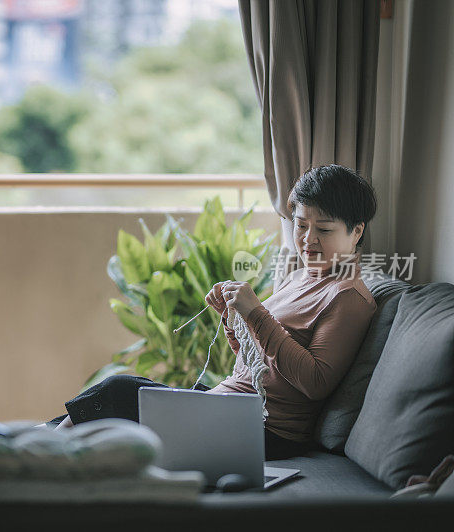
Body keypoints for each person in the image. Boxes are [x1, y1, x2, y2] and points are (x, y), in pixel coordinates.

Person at [48, 164, 378, 461]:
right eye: (301, 225)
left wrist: (257, 314)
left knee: (118, 392)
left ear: (357, 231)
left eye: (323, 229)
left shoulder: (347, 297)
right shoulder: (300, 276)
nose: (308, 239)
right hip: (227, 408)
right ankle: (37, 444)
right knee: (111, 405)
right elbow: (255, 365)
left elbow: (315, 382)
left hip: (264, 431)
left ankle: (39, 461)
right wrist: (235, 322)